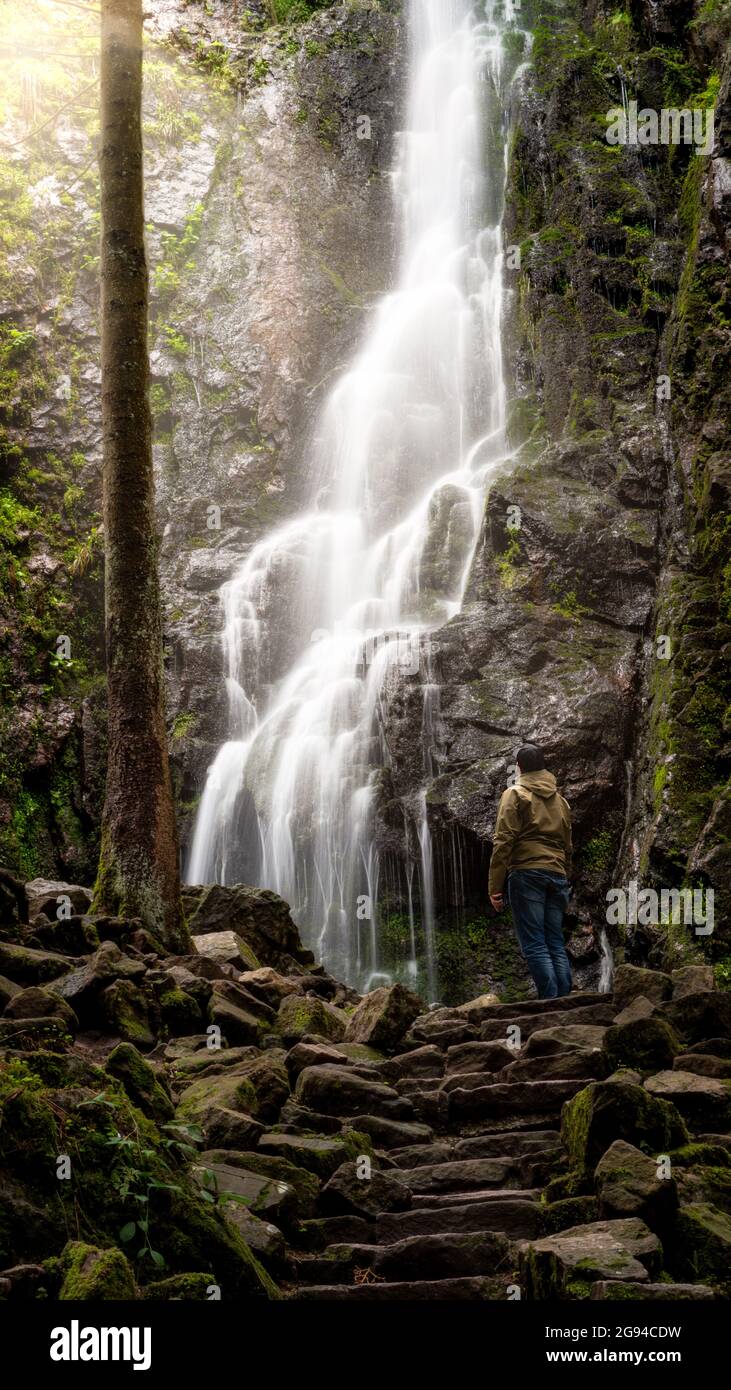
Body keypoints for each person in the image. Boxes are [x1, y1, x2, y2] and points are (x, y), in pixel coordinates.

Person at [488, 744, 573, 999]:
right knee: (555, 940)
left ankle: (549, 1000)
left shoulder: (515, 794)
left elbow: (503, 840)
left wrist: (495, 887)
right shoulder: (562, 801)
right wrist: (563, 873)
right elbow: (568, 845)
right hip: (556, 874)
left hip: (527, 873)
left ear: (519, 767)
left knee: (535, 942)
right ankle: (564, 998)